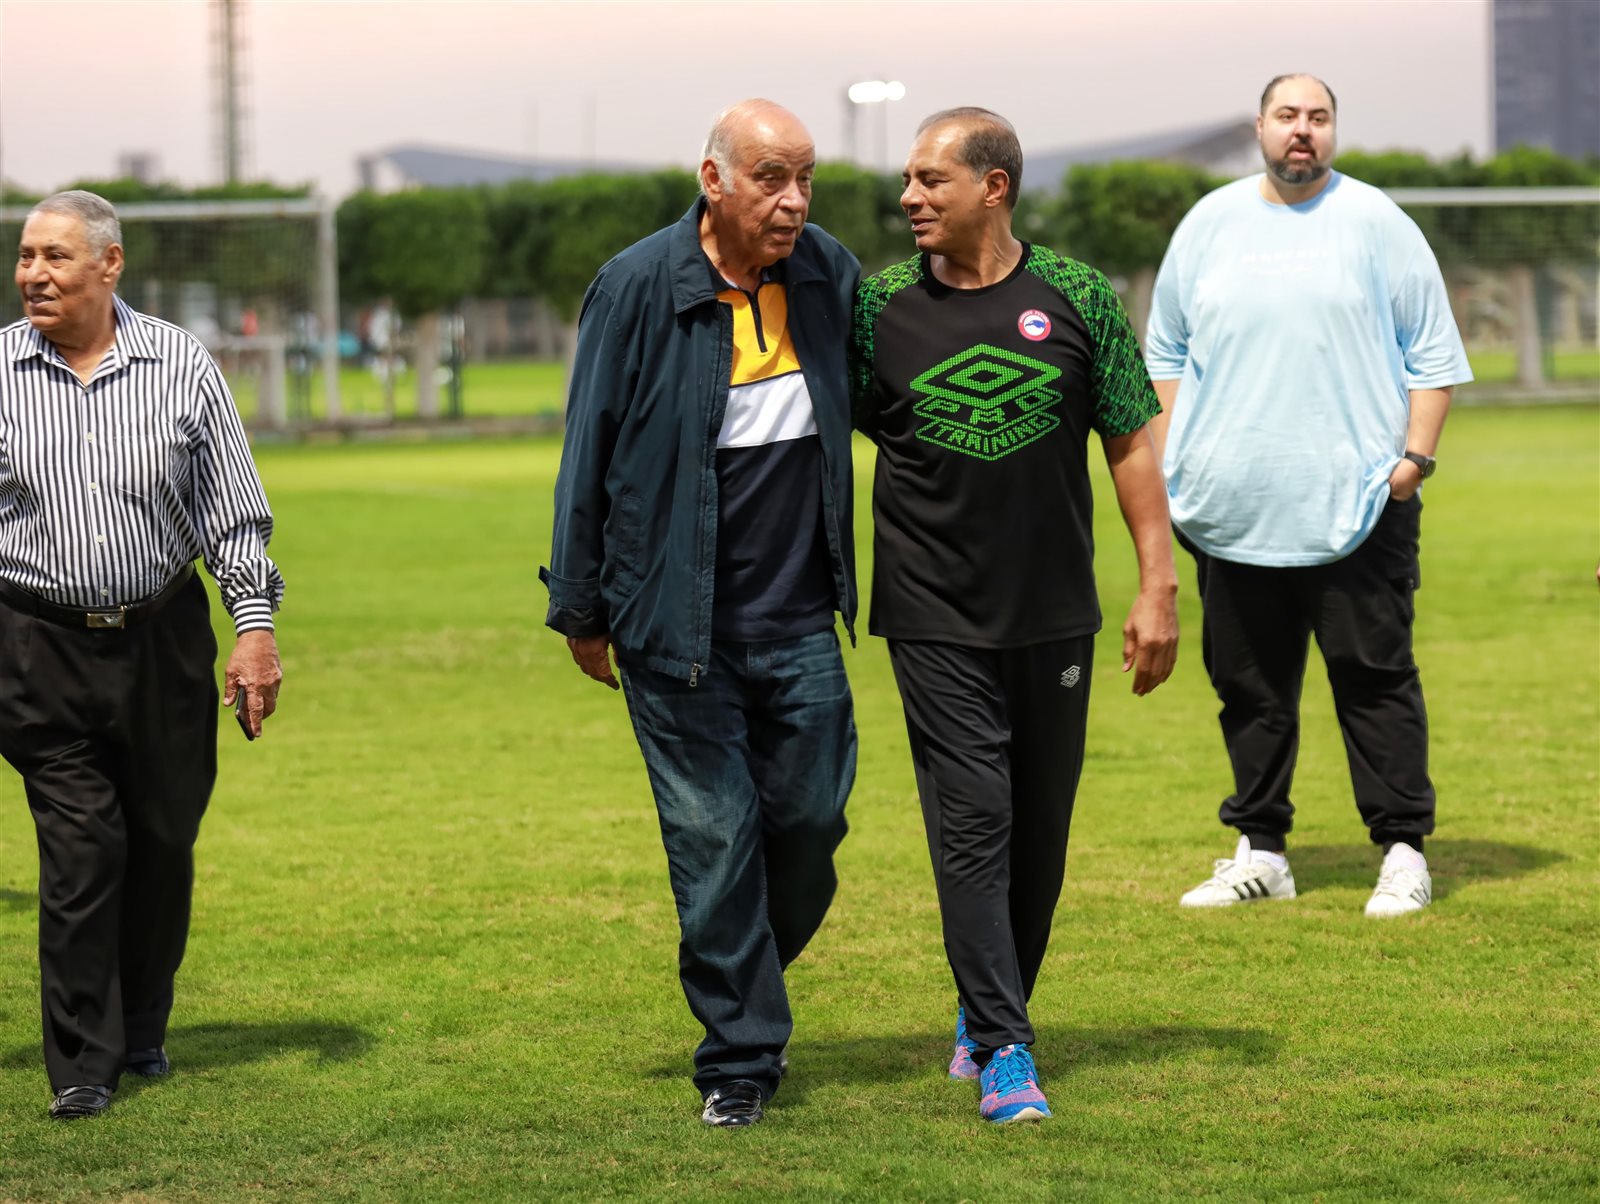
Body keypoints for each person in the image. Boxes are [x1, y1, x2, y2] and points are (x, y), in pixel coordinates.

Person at [851, 108, 1179, 1125]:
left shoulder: (1077, 295)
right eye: (908, 179)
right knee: (973, 822)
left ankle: (986, 1007)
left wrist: (1157, 585)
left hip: (1053, 615)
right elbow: (839, 429)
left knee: (1039, 833)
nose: (909, 197)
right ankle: (1005, 1048)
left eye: (930, 179)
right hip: (931, 615)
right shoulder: (879, 307)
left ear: (992, 188)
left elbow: (1129, 441)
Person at [541, 100, 859, 1128]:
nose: (794, 201)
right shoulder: (636, 284)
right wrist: (581, 606)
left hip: (803, 622)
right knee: (715, 844)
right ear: (713, 179)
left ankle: (742, 977)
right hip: (673, 628)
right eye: (771, 178)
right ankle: (739, 1059)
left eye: (805, 179)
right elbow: (588, 447)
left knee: (810, 825)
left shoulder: (829, 272)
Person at [1144, 75, 1472, 917]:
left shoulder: (1376, 222)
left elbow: (1433, 354)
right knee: (1249, 690)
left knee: (1375, 680)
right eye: (1287, 116)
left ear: (1333, 131)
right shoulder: (1209, 224)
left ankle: (1402, 851)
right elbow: (1166, 351)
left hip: (1358, 504)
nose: (1303, 131)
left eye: (1318, 118)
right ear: (1259, 127)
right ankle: (1262, 852)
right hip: (1232, 507)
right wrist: (1179, 460)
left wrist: (1413, 462)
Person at [3, 191, 285, 1120]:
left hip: (163, 641)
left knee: (163, 838)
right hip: (37, 646)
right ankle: (84, 1063)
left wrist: (253, 630)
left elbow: (231, 514)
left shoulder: (181, 364)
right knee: (81, 849)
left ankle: (143, 1025)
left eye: (55, 257)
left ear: (110, 263)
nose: (33, 274)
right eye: (26, 256)